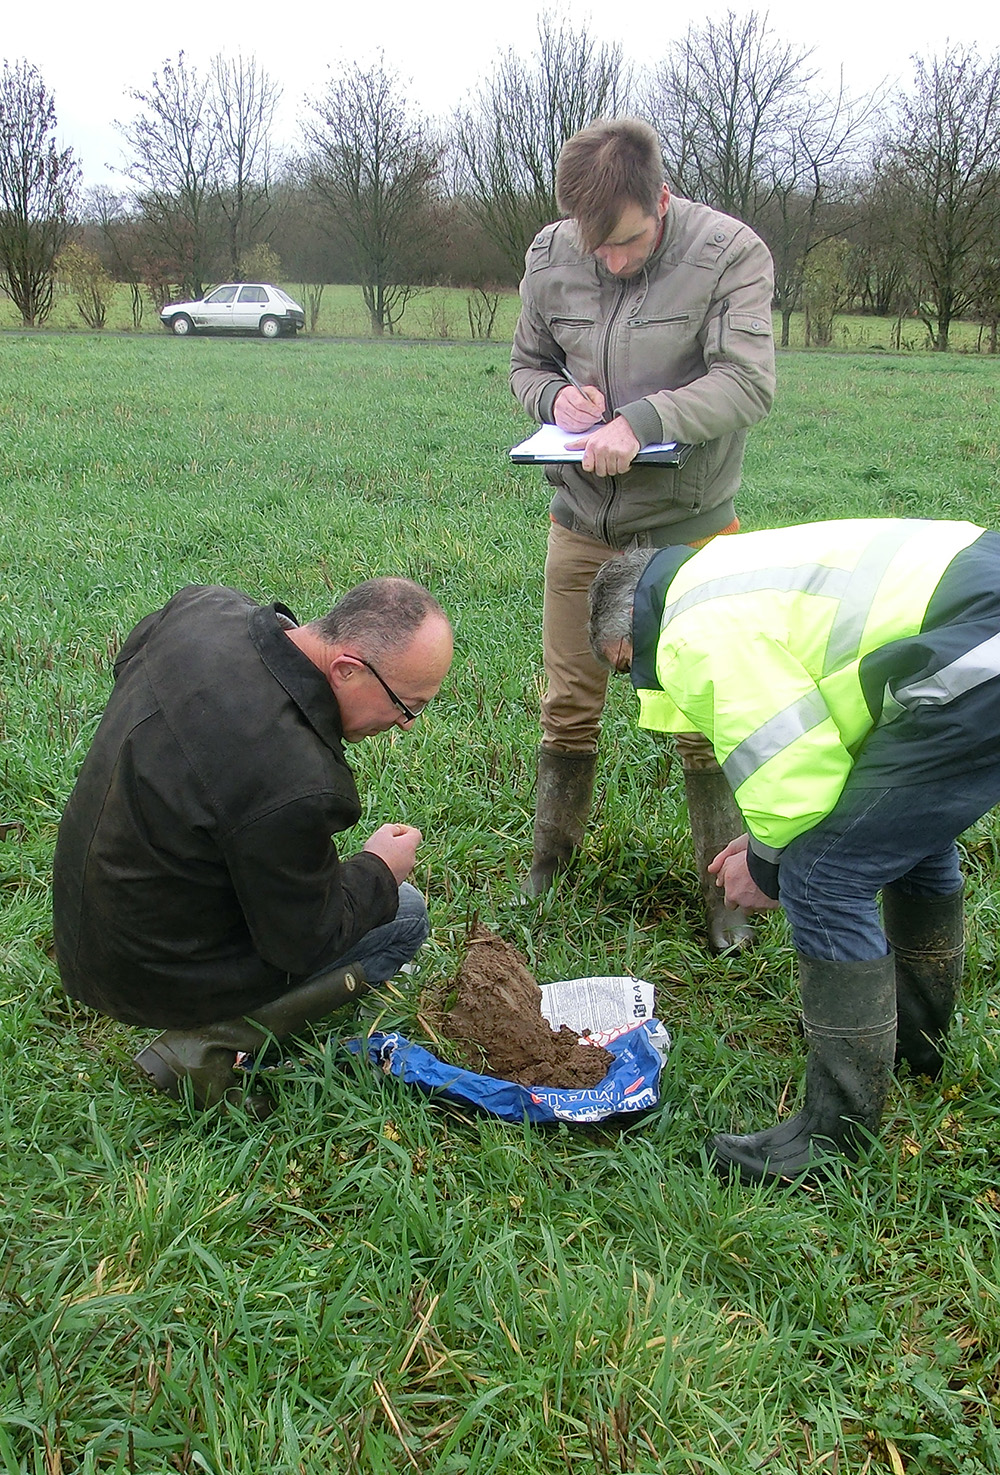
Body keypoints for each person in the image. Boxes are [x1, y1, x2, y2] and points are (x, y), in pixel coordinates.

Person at [588, 517, 1000, 1185]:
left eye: (625, 667)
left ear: (622, 640)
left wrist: (769, 866)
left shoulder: (692, 632)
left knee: (825, 876)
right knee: (901, 841)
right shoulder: (721, 574)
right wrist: (771, 841)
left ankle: (833, 1137)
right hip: (974, 620)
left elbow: (790, 771)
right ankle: (914, 1048)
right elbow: (822, 750)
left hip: (975, 652)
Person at [510, 117, 775, 950]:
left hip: (688, 531)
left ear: (660, 199)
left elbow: (746, 382)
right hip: (579, 522)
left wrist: (647, 418)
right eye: (597, 249)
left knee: (707, 712)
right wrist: (556, 401)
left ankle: (728, 895)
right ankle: (552, 861)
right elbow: (526, 365)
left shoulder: (731, 253)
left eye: (625, 243)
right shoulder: (552, 254)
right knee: (567, 703)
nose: (611, 261)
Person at [53, 577, 454, 1115]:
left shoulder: (203, 609)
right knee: (404, 916)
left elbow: (130, 667)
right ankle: (202, 1043)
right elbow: (306, 940)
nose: (404, 725)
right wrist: (380, 868)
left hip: (86, 910)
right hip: (146, 970)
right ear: (347, 669)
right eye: (408, 706)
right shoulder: (294, 779)